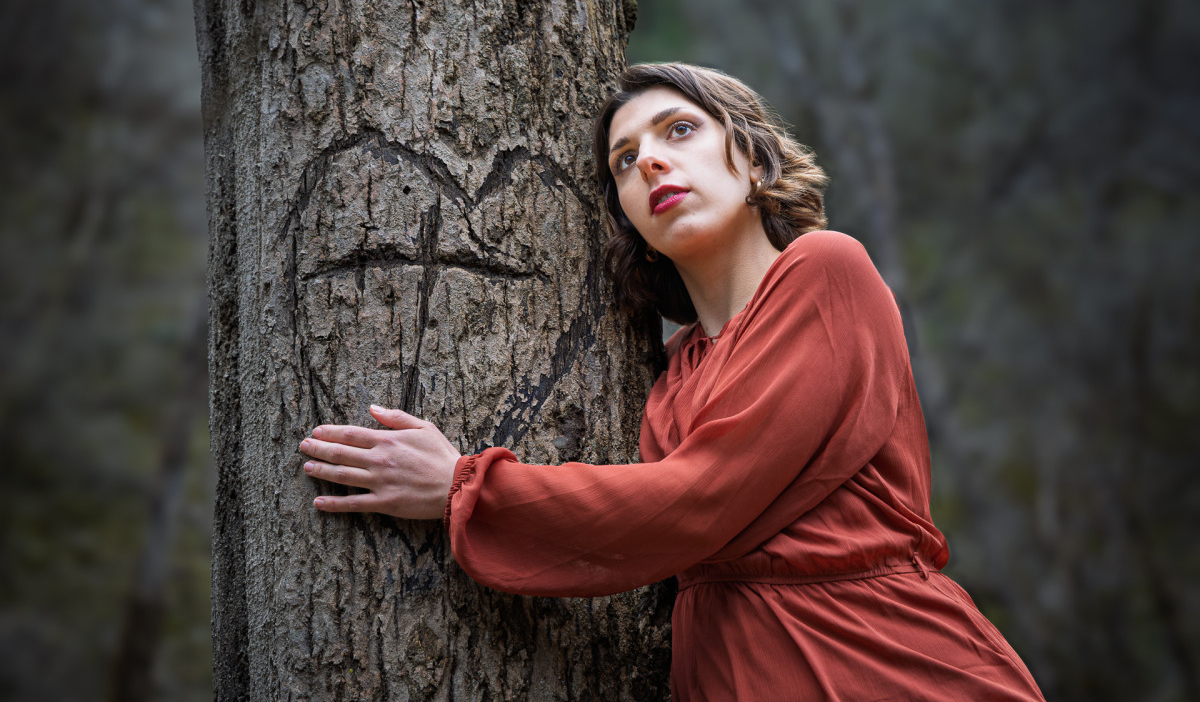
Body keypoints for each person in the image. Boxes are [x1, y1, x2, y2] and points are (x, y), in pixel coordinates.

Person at [299, 63, 1046, 701]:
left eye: (678, 130)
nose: (649, 162)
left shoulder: (826, 271)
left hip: (885, 662)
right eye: (623, 160)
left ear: (753, 159)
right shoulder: (673, 372)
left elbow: (700, 498)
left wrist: (465, 488)